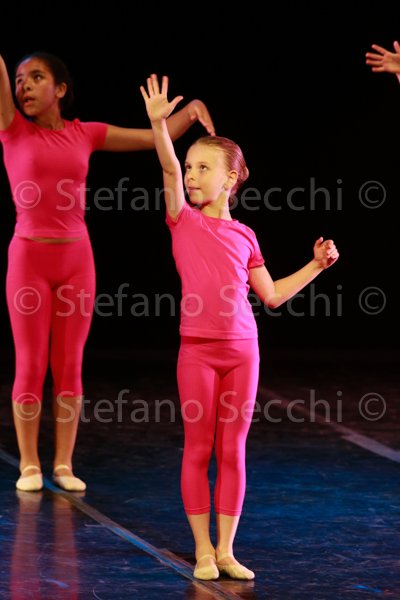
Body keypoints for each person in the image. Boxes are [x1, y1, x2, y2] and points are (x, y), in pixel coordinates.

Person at [140, 74, 340, 581]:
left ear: (230, 179)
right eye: (190, 167)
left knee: (232, 450)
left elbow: (270, 295)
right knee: (198, 448)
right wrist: (160, 125)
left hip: (242, 352)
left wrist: (316, 266)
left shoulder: (245, 235)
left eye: (203, 168)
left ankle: (226, 550)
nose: (191, 175)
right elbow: (166, 165)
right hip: (198, 352)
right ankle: (202, 550)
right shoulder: (182, 219)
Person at [0, 51, 215, 493]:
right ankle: (29, 463)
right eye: (19, 80)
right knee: (31, 363)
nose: (23, 86)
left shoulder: (86, 133)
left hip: (77, 262)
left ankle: (63, 464)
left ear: (60, 89)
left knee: (69, 364)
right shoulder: (12, 129)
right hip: (28, 261)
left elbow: (154, 138)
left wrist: (191, 111)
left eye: (36, 77)